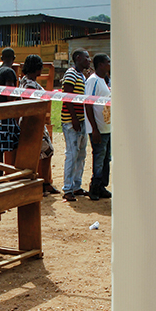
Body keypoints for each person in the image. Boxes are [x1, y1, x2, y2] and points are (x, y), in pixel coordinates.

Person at [19, 55, 59, 195]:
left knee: (44, 152)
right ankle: (42, 183)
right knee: (45, 151)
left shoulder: (27, 81)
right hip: (33, 122)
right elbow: (31, 102)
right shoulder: (29, 83)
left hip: (36, 122)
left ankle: (44, 182)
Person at [61, 49, 90, 201]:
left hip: (81, 120)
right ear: (78, 58)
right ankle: (67, 188)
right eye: (86, 57)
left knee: (81, 154)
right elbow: (67, 97)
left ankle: (76, 185)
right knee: (72, 154)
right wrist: (74, 118)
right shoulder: (71, 73)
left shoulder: (82, 76)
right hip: (71, 121)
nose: (89, 60)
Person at [85, 53, 112, 200]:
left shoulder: (105, 80)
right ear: (101, 64)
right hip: (98, 129)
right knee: (99, 157)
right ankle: (94, 187)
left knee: (106, 158)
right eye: (108, 62)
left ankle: (102, 186)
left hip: (107, 128)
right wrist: (94, 128)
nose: (110, 64)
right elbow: (88, 104)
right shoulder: (93, 81)